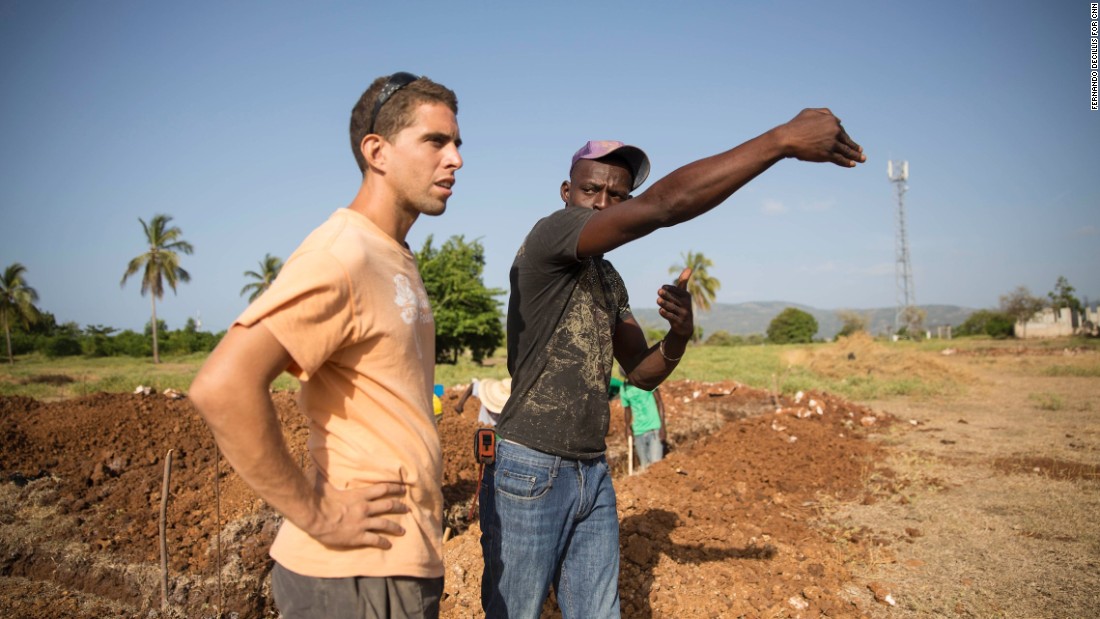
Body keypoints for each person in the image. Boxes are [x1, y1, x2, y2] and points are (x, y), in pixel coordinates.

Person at [479, 110, 864, 618]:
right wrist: (779, 141)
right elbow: (665, 206)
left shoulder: (607, 278)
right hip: (530, 466)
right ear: (565, 192)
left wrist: (678, 336)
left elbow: (639, 371)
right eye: (591, 190)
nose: (603, 204)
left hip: (591, 471)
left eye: (617, 197)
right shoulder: (549, 238)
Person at [190, 71, 462, 619]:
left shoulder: (392, 254)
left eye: (457, 143)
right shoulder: (343, 254)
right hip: (354, 578)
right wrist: (317, 512)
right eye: (435, 141)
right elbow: (222, 386)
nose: (455, 159)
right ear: (376, 151)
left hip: (395, 564)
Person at [620, 376, 666, 471]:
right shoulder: (624, 388)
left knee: (656, 466)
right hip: (638, 432)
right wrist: (627, 427)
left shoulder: (646, 380)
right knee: (644, 468)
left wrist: (663, 426)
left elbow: (659, 402)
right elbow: (627, 410)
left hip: (654, 430)